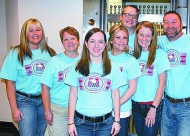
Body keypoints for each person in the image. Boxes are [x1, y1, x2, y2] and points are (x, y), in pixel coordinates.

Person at [65, 27, 126, 136]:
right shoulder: (77, 66)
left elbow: (115, 95)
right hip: (81, 123)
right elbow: (73, 95)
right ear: (86, 44)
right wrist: (70, 122)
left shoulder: (113, 67)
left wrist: (117, 120)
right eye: (92, 41)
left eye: (100, 42)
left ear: (105, 44)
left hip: (106, 124)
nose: (96, 45)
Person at [0, 18, 56, 136]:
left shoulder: (50, 53)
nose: (35, 33)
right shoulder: (15, 53)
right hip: (25, 101)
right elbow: (10, 83)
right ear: (25, 34)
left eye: (38, 30)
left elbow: (53, 80)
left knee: (40, 133)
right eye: (31, 30)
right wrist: (14, 108)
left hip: (44, 101)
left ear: (42, 32)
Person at [40, 26, 80, 136]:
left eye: (72, 38)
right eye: (66, 39)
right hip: (58, 111)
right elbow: (45, 87)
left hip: (79, 111)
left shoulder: (84, 61)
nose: (70, 42)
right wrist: (47, 111)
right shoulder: (54, 61)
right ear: (62, 43)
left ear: (78, 41)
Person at [132, 21, 170, 136]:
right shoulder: (133, 56)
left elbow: (162, 84)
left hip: (152, 105)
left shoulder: (160, 54)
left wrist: (153, 108)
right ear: (137, 35)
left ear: (153, 37)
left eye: (148, 35)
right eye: (141, 34)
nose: (144, 38)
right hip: (136, 104)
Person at [158, 11, 190, 136]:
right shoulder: (160, 41)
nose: (170, 25)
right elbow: (142, 39)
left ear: (181, 25)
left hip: (186, 107)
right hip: (166, 104)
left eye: (174, 22)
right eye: (166, 22)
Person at [107, 24, 141, 136]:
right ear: (111, 40)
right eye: (118, 37)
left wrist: (115, 105)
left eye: (125, 38)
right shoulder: (102, 58)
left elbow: (132, 88)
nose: (122, 41)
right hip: (103, 109)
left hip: (122, 110)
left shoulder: (131, 61)